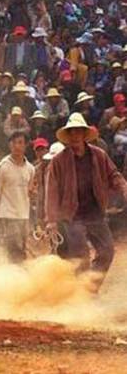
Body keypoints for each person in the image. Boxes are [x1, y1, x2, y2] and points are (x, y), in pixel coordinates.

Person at [46, 113, 127, 292]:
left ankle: (90, 288)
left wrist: (123, 187)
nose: (75, 135)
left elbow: (114, 174)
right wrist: (51, 220)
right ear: (68, 136)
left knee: (107, 252)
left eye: (78, 132)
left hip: (95, 213)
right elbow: (51, 191)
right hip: (72, 215)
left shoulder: (99, 155)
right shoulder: (58, 161)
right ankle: (80, 294)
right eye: (72, 132)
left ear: (84, 134)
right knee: (80, 255)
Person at [0, 131, 35, 263]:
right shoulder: (2, 167)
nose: (17, 146)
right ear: (10, 145)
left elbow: (29, 191)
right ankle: (15, 276)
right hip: (8, 213)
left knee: (23, 247)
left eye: (20, 143)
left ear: (26, 145)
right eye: (14, 143)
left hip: (24, 214)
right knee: (14, 248)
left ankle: (17, 275)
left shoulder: (30, 169)